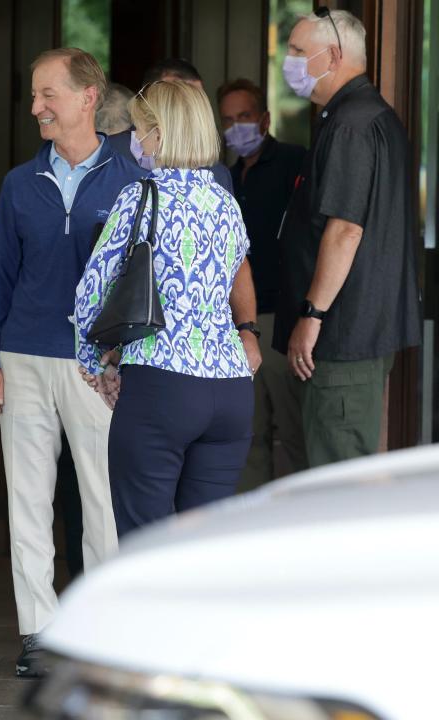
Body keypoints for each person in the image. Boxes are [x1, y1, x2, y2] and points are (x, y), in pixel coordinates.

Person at [0, 48, 141, 678]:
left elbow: (141, 279)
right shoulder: (20, 183)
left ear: (88, 97)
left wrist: (125, 356)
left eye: (48, 94)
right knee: (28, 502)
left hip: (97, 365)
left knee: (102, 501)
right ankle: (39, 633)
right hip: (23, 357)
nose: (37, 106)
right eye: (34, 94)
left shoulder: (132, 176)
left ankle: (101, 632)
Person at [75, 79, 256, 539]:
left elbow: (91, 293)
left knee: (146, 546)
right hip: (231, 390)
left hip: (162, 383)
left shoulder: (141, 196)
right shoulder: (227, 204)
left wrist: (97, 366)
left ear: (159, 133)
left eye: (138, 129)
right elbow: (231, 278)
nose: (134, 140)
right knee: (202, 551)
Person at [275, 9, 421, 466]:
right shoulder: (365, 115)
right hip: (351, 335)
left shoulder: (351, 124)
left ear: (332, 55)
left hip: (339, 338)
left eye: (298, 51)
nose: (289, 60)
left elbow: (345, 230)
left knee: (336, 481)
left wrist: (312, 314)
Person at [217, 78, 308, 489]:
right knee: (248, 437)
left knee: (294, 434)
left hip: (284, 321)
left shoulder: (295, 164)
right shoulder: (225, 180)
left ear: (265, 119)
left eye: (245, 116)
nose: (237, 127)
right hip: (238, 327)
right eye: (228, 120)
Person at [109, 58, 234, 193]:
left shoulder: (218, 174)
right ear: (148, 98)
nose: (192, 111)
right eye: (174, 98)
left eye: (197, 100)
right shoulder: (109, 155)